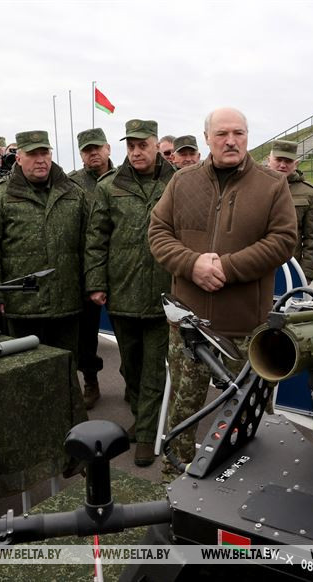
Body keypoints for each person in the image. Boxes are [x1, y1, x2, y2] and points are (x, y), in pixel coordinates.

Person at [149, 107, 297, 479]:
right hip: (189, 327)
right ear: (207, 139)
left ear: (247, 136)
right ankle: (172, 477)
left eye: (239, 133)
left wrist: (226, 269)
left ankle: (255, 482)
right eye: (222, 134)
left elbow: (283, 241)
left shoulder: (272, 185)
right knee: (183, 409)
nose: (231, 141)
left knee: (250, 412)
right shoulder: (182, 182)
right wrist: (192, 264)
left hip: (245, 328)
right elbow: (158, 232)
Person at [0, 130, 90, 410]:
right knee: (24, 375)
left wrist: (91, 285)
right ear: (20, 157)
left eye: (45, 153)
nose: (41, 160)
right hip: (22, 306)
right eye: (33, 154)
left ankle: (67, 427)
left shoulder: (74, 194)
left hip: (66, 303)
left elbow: (90, 245)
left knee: (65, 370)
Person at [85, 120, 176, 466]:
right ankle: (143, 417)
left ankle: (148, 433)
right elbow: (97, 238)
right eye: (131, 146)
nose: (136, 152)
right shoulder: (110, 186)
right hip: (123, 290)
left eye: (143, 145)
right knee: (131, 366)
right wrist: (96, 283)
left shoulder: (177, 182)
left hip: (163, 293)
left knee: (154, 367)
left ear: (156, 145)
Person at [69, 128, 115, 408]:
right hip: (87, 268)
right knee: (86, 333)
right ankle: (91, 381)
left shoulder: (124, 178)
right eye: (87, 150)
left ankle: (133, 385)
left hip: (122, 267)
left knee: (128, 333)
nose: (93, 153)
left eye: (97, 147)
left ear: (108, 148)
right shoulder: (72, 184)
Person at [266, 139, 313, 283]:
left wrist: (304, 275)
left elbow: (312, 238)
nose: (282, 165)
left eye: (288, 161)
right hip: (255, 267)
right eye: (278, 159)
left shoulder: (309, 192)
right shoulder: (253, 186)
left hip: (289, 270)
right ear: (268, 160)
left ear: (296, 164)